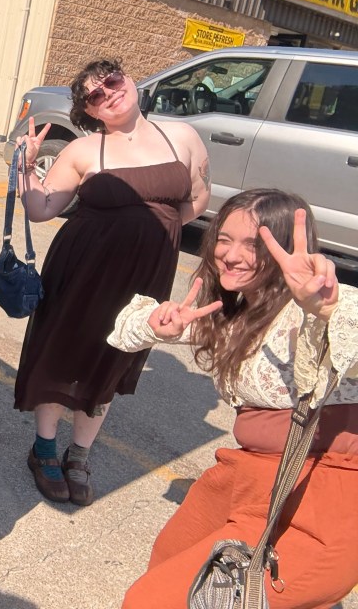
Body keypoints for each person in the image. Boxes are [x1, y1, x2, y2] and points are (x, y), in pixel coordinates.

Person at [111, 189, 358, 608]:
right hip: (247, 476)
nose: (231, 254)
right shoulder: (229, 312)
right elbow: (123, 333)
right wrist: (156, 323)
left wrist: (330, 309)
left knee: (158, 601)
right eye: (224, 239)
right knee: (169, 559)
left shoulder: (311, 310)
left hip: (323, 493)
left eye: (254, 245)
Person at [13, 58, 210, 506]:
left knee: (115, 356)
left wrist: (154, 230)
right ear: (91, 112)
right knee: (64, 351)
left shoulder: (182, 137)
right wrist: (26, 168)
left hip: (147, 272)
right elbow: (42, 209)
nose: (109, 94)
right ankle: (44, 449)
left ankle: (79, 453)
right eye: (95, 96)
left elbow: (197, 199)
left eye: (112, 82)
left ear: (130, 78)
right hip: (83, 267)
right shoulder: (83, 151)